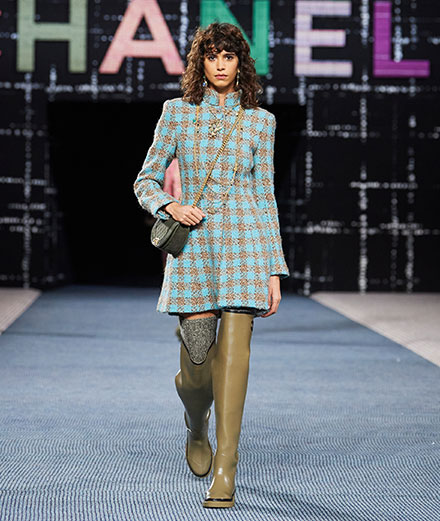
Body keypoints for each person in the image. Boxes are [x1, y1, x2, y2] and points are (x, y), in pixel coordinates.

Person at [133, 22, 290, 509]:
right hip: (196, 249)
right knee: (198, 367)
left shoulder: (261, 122)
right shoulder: (177, 113)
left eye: (229, 56)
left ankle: (226, 467)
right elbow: (144, 179)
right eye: (212, 56)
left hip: (245, 245)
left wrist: (273, 269)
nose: (221, 65)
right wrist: (169, 205)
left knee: (236, 358)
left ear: (241, 63)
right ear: (200, 63)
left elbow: (266, 197)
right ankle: (196, 421)